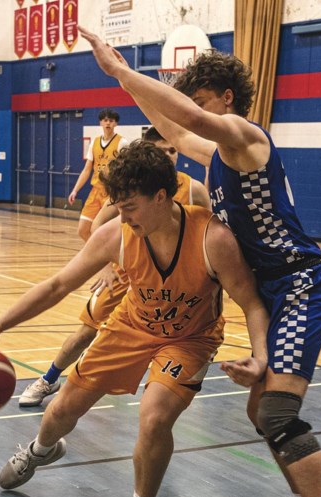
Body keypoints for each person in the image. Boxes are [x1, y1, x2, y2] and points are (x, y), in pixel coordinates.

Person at [79, 26, 321, 497]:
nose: (194, 111)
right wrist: (133, 89)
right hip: (277, 292)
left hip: (300, 287)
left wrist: (119, 71)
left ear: (225, 98)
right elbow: (173, 125)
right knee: (259, 410)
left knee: (277, 412)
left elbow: (187, 117)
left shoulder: (247, 137)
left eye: (201, 98)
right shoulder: (220, 160)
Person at [0, 142, 269, 497]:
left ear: (162, 198)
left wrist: (260, 358)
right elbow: (58, 285)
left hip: (190, 338)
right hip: (131, 326)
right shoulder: (118, 235)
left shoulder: (213, 238)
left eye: (129, 206)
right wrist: (0, 323)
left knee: (155, 415)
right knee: (60, 412)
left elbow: (253, 303)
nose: (121, 215)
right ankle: (41, 449)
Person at [20, 126, 210, 407]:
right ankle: (49, 378)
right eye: (163, 151)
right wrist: (106, 266)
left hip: (170, 284)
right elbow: (98, 225)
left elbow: (208, 232)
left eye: (173, 150)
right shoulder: (132, 187)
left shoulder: (194, 189)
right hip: (127, 271)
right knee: (86, 331)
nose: (170, 156)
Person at [68, 108, 130, 240]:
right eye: (105, 120)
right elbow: (86, 169)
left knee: (100, 230)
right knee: (83, 230)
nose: (108, 123)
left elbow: (127, 169)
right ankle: (99, 257)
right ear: (100, 122)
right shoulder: (94, 142)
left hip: (111, 192)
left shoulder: (122, 143)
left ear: (116, 124)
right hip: (96, 191)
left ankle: (108, 258)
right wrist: (75, 190)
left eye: (111, 121)